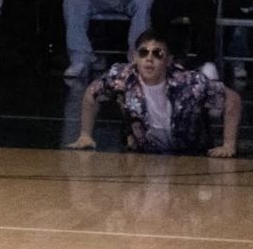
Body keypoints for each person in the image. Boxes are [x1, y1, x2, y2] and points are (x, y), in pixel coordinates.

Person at [66, 30, 241, 156]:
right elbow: (92, 93)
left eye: (157, 53)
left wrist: (229, 145)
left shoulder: (190, 82)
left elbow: (232, 99)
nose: (149, 58)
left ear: (168, 60)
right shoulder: (122, 77)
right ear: (135, 57)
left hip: (190, 155)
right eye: (143, 53)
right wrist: (85, 135)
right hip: (143, 157)